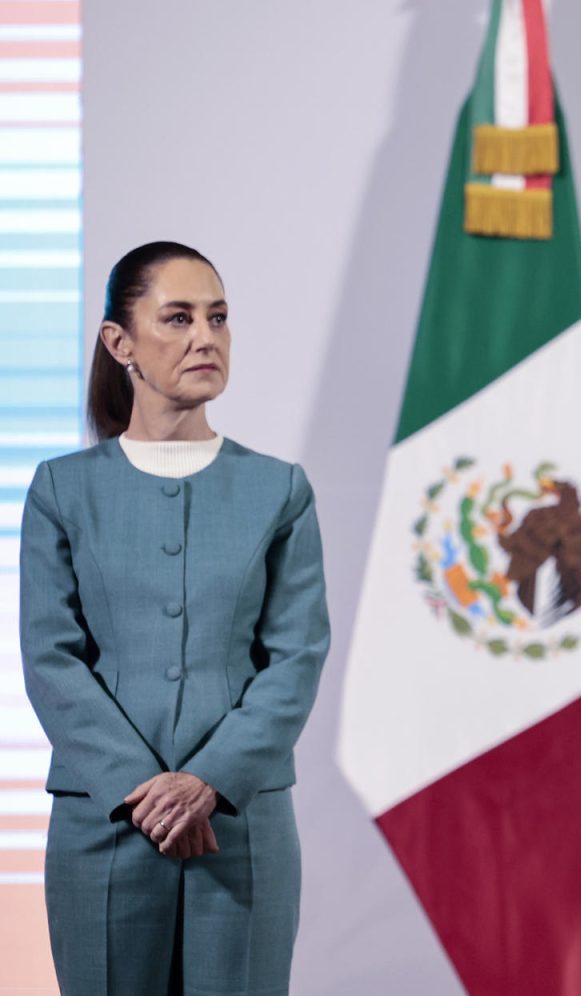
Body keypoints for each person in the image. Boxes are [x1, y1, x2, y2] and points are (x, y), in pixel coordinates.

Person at [20, 241, 329, 994]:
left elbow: (296, 658)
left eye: (218, 319)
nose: (206, 338)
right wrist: (142, 788)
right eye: (180, 318)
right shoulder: (62, 491)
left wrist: (209, 782)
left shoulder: (279, 489)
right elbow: (50, 659)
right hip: (105, 825)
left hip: (241, 824)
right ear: (119, 343)